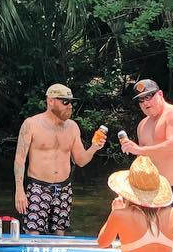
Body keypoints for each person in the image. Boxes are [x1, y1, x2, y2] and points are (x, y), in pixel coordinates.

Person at [13, 83, 107, 235]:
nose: (69, 106)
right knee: (33, 234)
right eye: (65, 102)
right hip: (38, 187)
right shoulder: (31, 124)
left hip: (64, 188)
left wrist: (94, 147)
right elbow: (19, 159)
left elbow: (81, 160)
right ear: (51, 101)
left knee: (60, 237)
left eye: (71, 102)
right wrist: (19, 190)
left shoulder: (72, 127)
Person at [119, 78, 173, 239]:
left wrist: (139, 149)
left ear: (160, 94)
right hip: (156, 187)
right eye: (141, 100)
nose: (145, 103)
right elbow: (144, 161)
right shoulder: (142, 125)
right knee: (156, 232)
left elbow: (171, 148)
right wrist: (130, 186)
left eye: (149, 97)